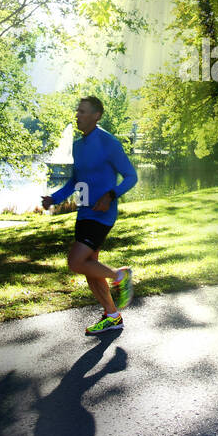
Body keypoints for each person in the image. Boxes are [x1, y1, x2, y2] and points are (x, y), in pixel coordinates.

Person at [42, 96, 139, 336]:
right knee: (89, 267)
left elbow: (131, 176)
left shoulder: (109, 143)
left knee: (76, 261)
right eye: (77, 111)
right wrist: (54, 198)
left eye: (83, 111)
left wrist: (110, 196)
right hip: (84, 213)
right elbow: (76, 181)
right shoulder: (78, 145)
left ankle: (120, 274)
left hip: (102, 214)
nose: (77, 115)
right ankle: (112, 316)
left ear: (96, 115)